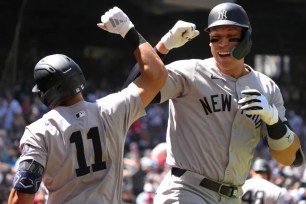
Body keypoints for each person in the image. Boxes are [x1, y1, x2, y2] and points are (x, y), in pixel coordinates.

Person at [123, 2, 305, 203]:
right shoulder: (191, 72)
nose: (223, 44)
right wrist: (163, 46)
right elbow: (129, 93)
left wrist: (274, 121)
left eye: (231, 36)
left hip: (233, 196)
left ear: (247, 38)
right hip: (187, 191)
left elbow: (290, 158)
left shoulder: (267, 88)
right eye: (215, 38)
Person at [7, 6, 167, 204]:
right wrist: (128, 30)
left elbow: (22, 195)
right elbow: (156, 74)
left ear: (46, 94)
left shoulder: (39, 131)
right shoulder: (111, 110)